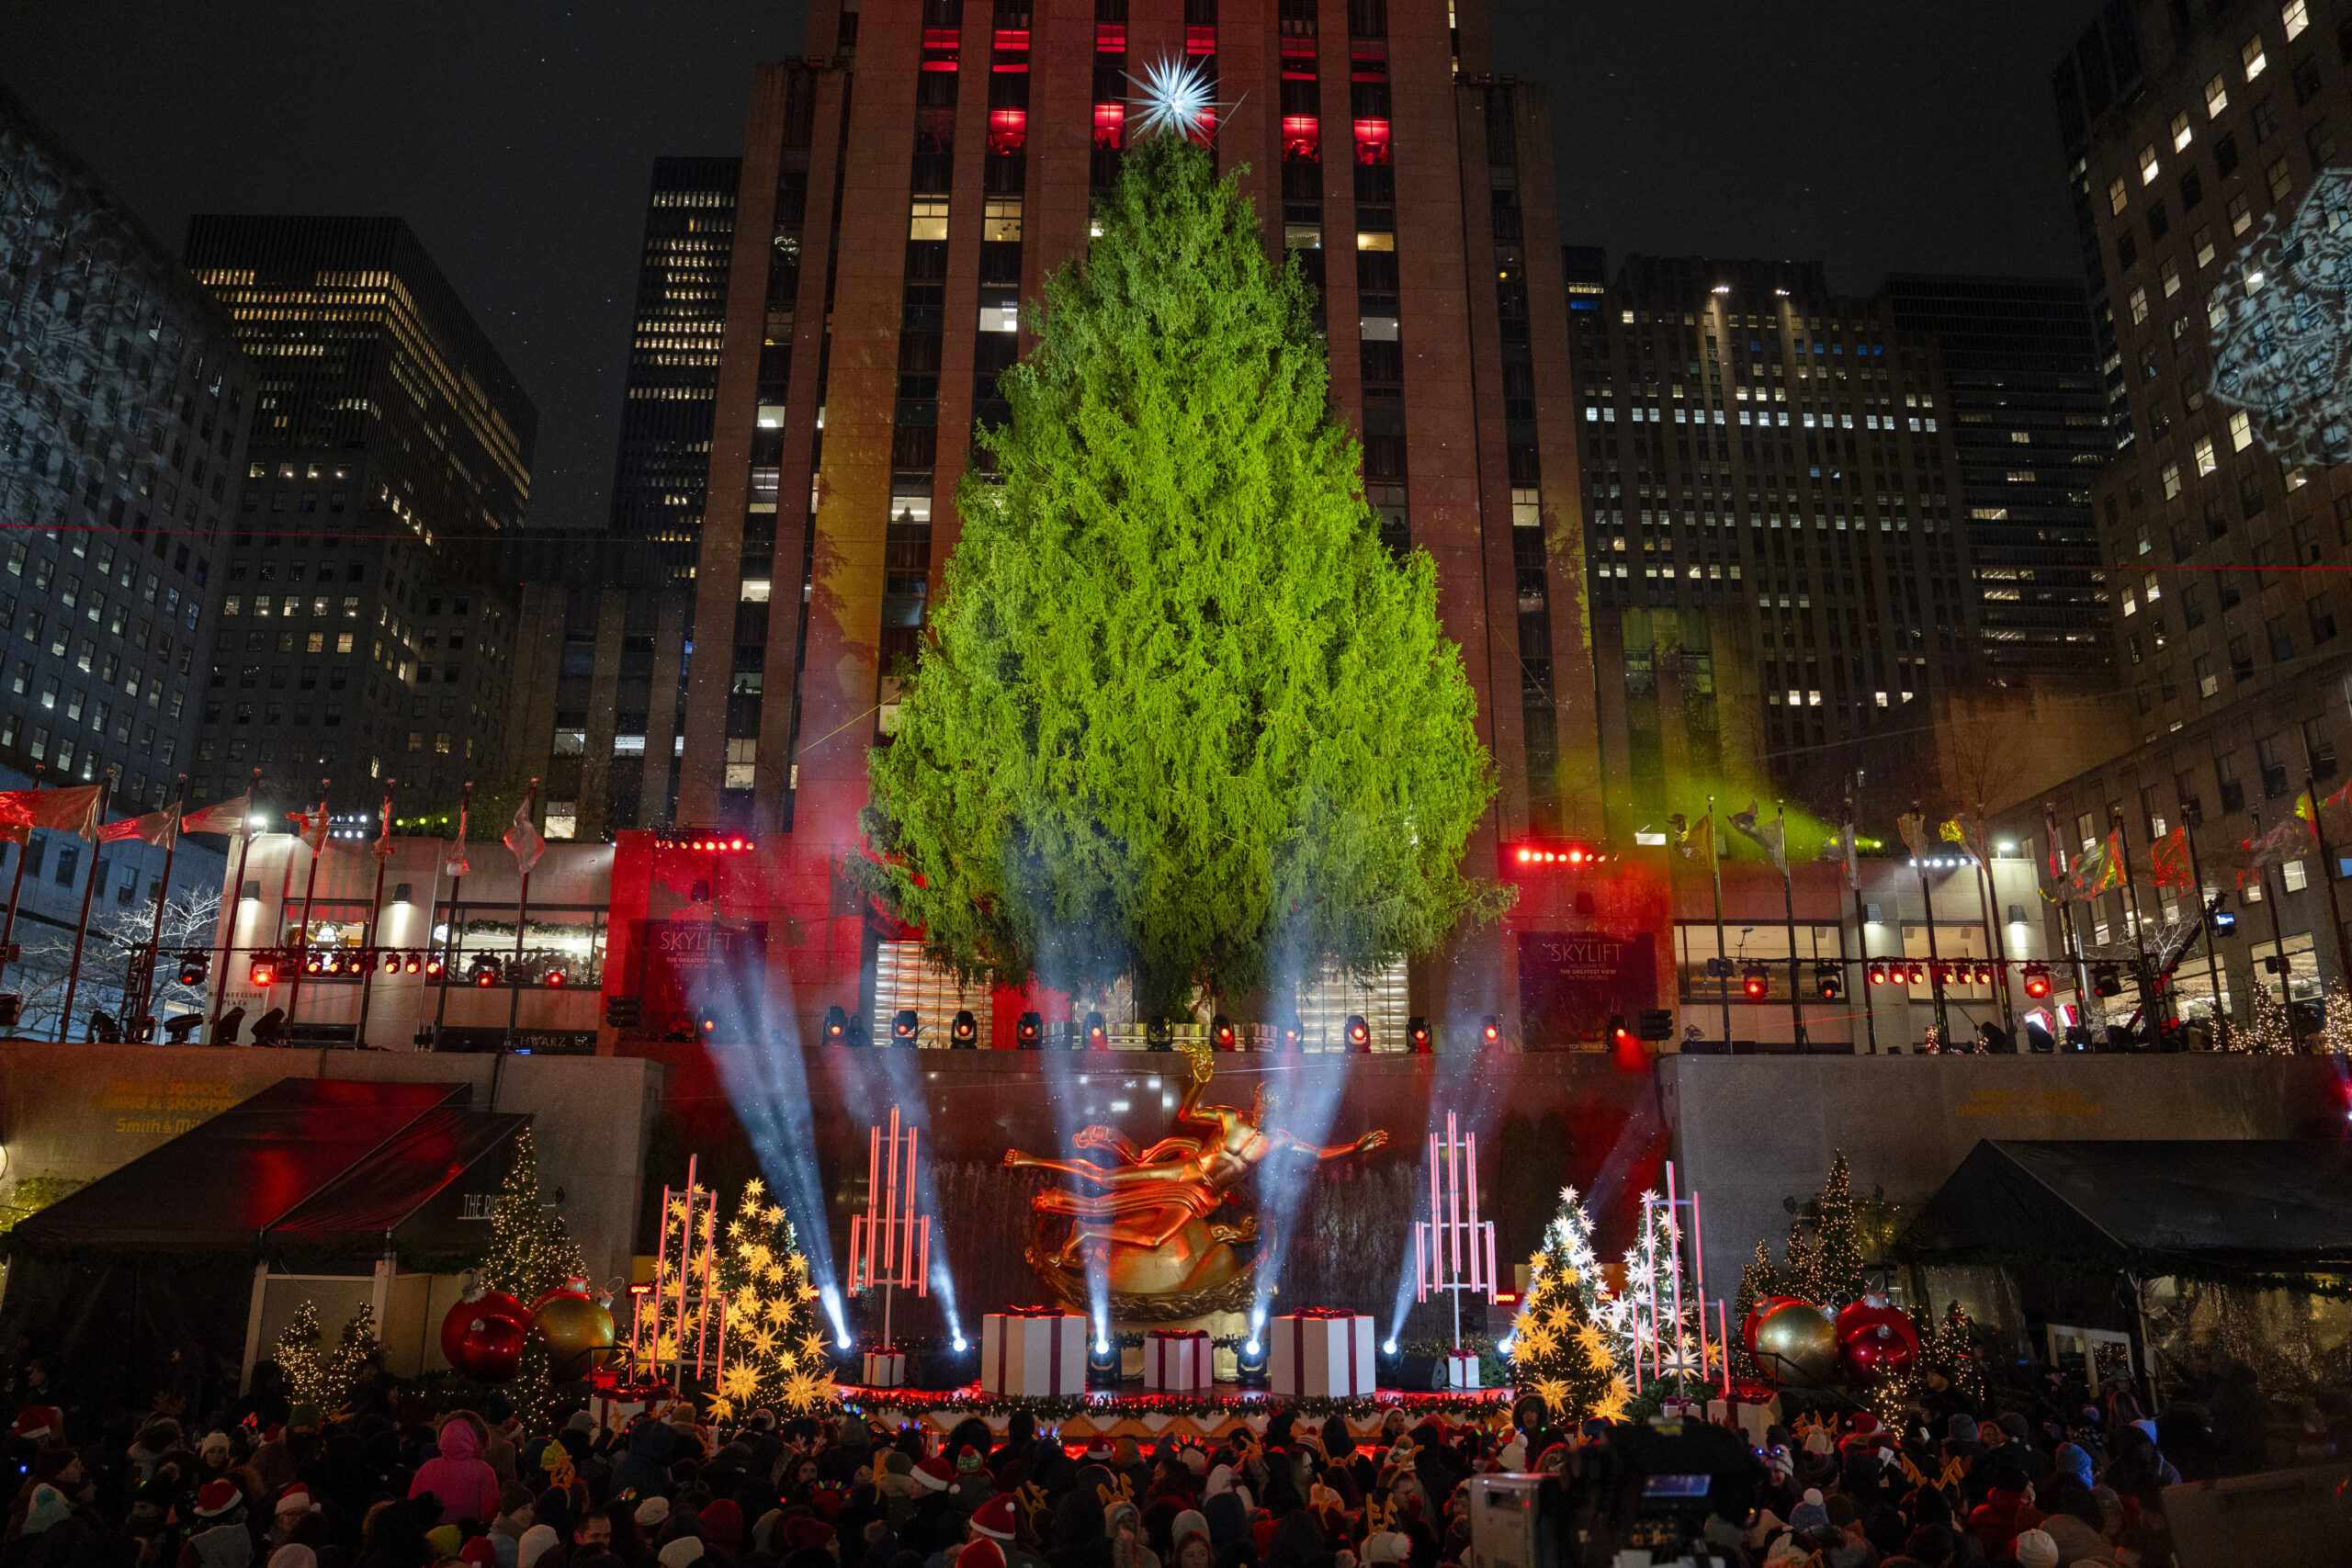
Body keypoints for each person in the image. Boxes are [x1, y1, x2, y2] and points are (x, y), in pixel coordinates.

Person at [411, 1420, 501, 1527]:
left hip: (431, 1535)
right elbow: (490, 1510)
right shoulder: (484, 1470)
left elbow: (413, 1502)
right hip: (468, 1534)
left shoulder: (427, 1467)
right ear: (472, 1438)